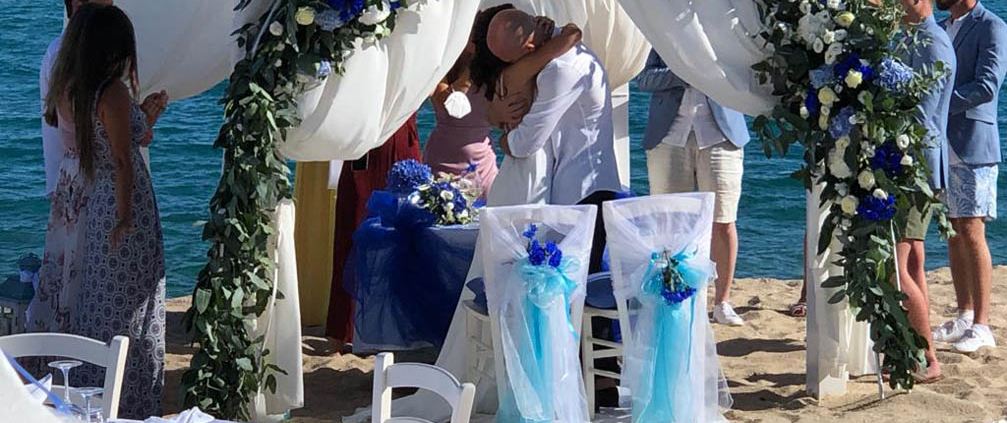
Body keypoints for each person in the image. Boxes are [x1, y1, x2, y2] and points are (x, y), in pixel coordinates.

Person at [43, 3, 168, 418]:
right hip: (119, 203)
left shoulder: (74, 88)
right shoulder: (111, 92)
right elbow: (122, 158)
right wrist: (126, 216)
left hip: (97, 203)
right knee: (129, 308)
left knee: (98, 302)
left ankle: (90, 397)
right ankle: (127, 401)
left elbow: (104, 144)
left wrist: (143, 117)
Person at [481, 7, 623, 273]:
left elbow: (524, 144)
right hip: (563, 183)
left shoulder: (562, 68)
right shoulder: (557, 53)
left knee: (575, 282)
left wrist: (503, 140)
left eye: (513, 60)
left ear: (529, 47)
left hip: (581, 188)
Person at [636, 49, 750, 326]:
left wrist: (709, 72)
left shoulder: (724, 29)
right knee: (669, 222)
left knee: (723, 220)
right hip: (669, 136)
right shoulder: (663, 30)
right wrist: (684, 73)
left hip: (722, 136)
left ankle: (722, 302)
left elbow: (746, 75)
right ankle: (674, 293)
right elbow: (644, 79)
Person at [932, 0, 1007, 353]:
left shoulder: (991, 25)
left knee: (973, 230)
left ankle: (982, 324)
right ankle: (964, 313)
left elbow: (988, 85)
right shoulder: (942, 26)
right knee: (952, 229)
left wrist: (939, 104)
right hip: (941, 144)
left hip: (973, 141)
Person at [895, 0, 957, 382]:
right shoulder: (911, 37)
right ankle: (923, 352)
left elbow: (921, 114)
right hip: (913, 162)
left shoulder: (933, 44)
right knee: (914, 261)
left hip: (914, 164)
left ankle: (926, 357)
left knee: (895, 266)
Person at [469, 4, 584, 208]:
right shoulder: (525, 68)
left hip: (518, 160)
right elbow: (571, 36)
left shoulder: (505, 75)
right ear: (527, 47)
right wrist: (567, 29)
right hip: (532, 155)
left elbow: (492, 116)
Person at [325, 116, 422, 352]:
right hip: (367, 138)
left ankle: (380, 330)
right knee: (354, 231)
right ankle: (343, 329)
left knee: (394, 236)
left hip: (389, 136)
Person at [423, 37, 498, 197]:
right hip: (441, 158)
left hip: (480, 160)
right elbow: (449, 102)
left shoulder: (496, 69)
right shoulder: (445, 64)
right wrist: (472, 67)